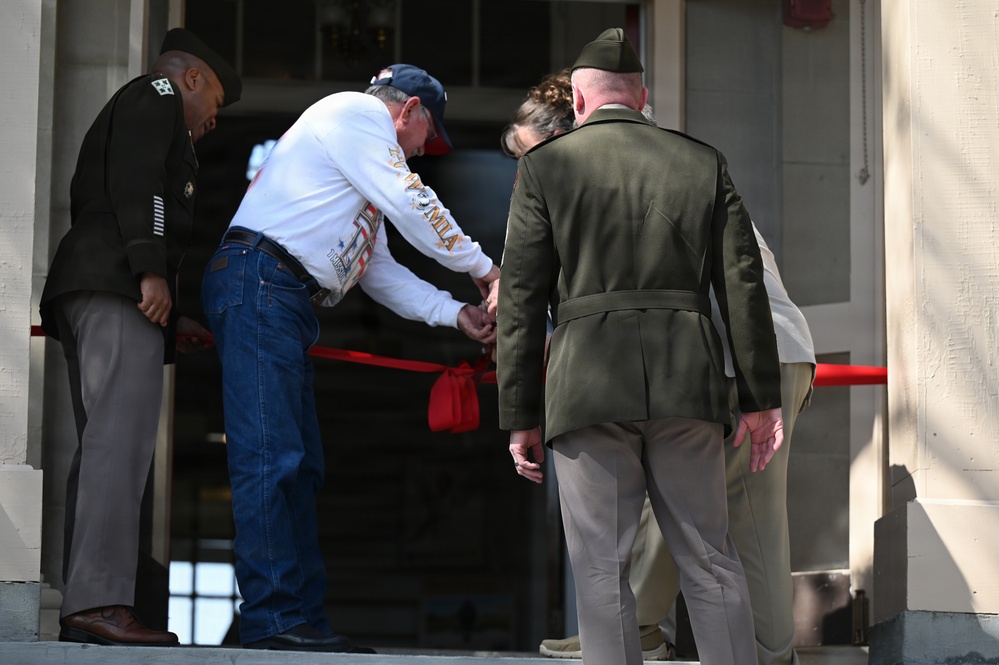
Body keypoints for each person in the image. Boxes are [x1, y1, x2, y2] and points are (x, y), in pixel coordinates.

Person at [496, 28, 785, 665]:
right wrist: (763, 399)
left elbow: (519, 299)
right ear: (641, 94)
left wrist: (520, 414)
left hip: (586, 384)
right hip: (688, 377)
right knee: (710, 559)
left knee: (601, 569)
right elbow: (742, 286)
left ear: (578, 98)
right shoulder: (702, 161)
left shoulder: (545, 167)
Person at [200, 63, 500, 652]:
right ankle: (273, 617)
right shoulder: (355, 114)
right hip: (263, 282)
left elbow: (377, 269)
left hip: (276, 293)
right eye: (425, 138)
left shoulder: (357, 164)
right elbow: (412, 200)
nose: (420, 154)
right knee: (272, 457)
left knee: (299, 464)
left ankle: (298, 615)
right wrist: (485, 269)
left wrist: (454, 313)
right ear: (408, 110)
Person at [38, 28, 240, 645]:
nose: (210, 125)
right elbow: (141, 182)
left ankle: (89, 598)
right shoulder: (156, 94)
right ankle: (97, 600)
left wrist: (168, 307)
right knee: (118, 448)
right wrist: (151, 269)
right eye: (214, 109)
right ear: (194, 78)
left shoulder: (142, 102)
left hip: (104, 283)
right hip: (117, 281)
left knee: (107, 446)